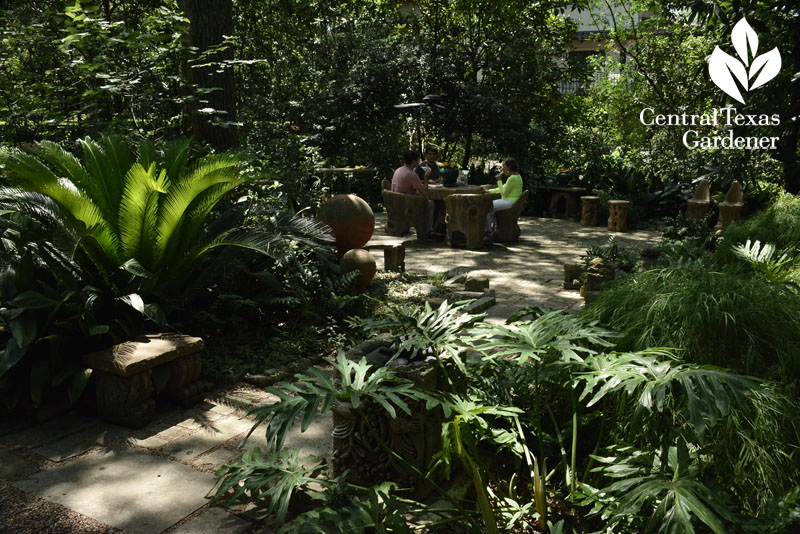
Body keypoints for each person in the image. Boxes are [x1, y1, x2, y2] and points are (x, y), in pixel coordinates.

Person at [391, 150, 436, 236]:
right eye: (418, 160)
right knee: (431, 203)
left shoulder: (398, 170)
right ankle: (427, 230)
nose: (419, 162)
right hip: (408, 205)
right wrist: (426, 177)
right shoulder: (411, 174)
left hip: (397, 203)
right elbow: (425, 193)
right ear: (414, 161)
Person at [483, 158, 523, 239]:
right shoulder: (517, 176)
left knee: (486, 207)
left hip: (509, 202)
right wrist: (488, 191)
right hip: (511, 201)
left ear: (509, 167)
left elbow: (503, 192)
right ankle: (491, 229)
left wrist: (499, 181)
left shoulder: (512, 178)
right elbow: (503, 188)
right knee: (490, 208)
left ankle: (488, 231)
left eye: (504, 166)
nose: (502, 168)